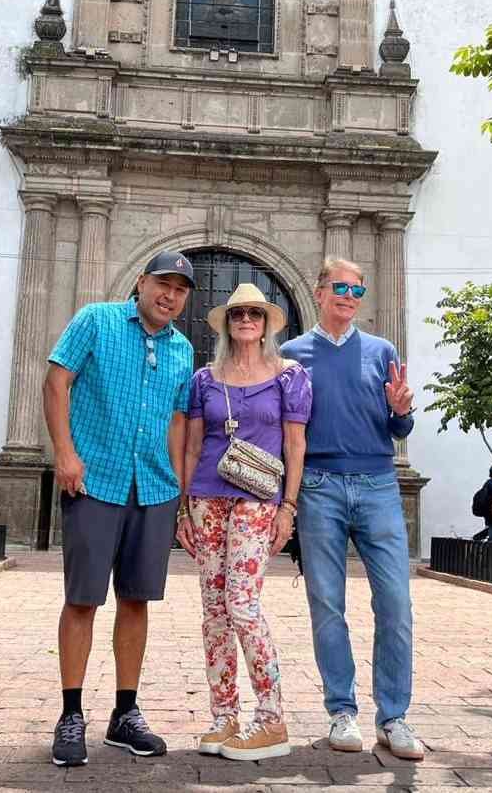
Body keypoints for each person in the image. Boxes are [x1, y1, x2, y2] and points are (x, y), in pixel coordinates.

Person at [43, 250, 196, 767]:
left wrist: (177, 487)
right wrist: (65, 453)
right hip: (95, 483)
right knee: (83, 600)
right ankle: (70, 714)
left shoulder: (183, 351)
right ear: (141, 281)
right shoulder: (96, 320)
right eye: (163, 283)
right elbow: (56, 381)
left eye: (180, 289)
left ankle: (124, 715)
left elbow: (178, 423)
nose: (169, 295)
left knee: (137, 601)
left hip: (153, 489)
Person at [280, 256, 424, 762]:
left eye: (358, 290)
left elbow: (399, 428)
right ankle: (342, 710)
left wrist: (402, 411)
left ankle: (394, 716)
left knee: (396, 604)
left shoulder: (382, 351)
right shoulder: (291, 355)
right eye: (340, 287)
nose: (349, 296)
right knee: (327, 605)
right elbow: (285, 431)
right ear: (319, 292)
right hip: (318, 486)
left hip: (379, 482)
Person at [176, 283, 311, 762]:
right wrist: (183, 507)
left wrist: (288, 508)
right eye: (238, 314)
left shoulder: (289, 377)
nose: (246, 321)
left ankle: (271, 718)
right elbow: (193, 445)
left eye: (255, 313)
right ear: (227, 323)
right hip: (207, 498)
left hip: (257, 501)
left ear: (268, 322)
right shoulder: (204, 379)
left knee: (242, 605)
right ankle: (224, 715)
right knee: (213, 612)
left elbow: (295, 446)